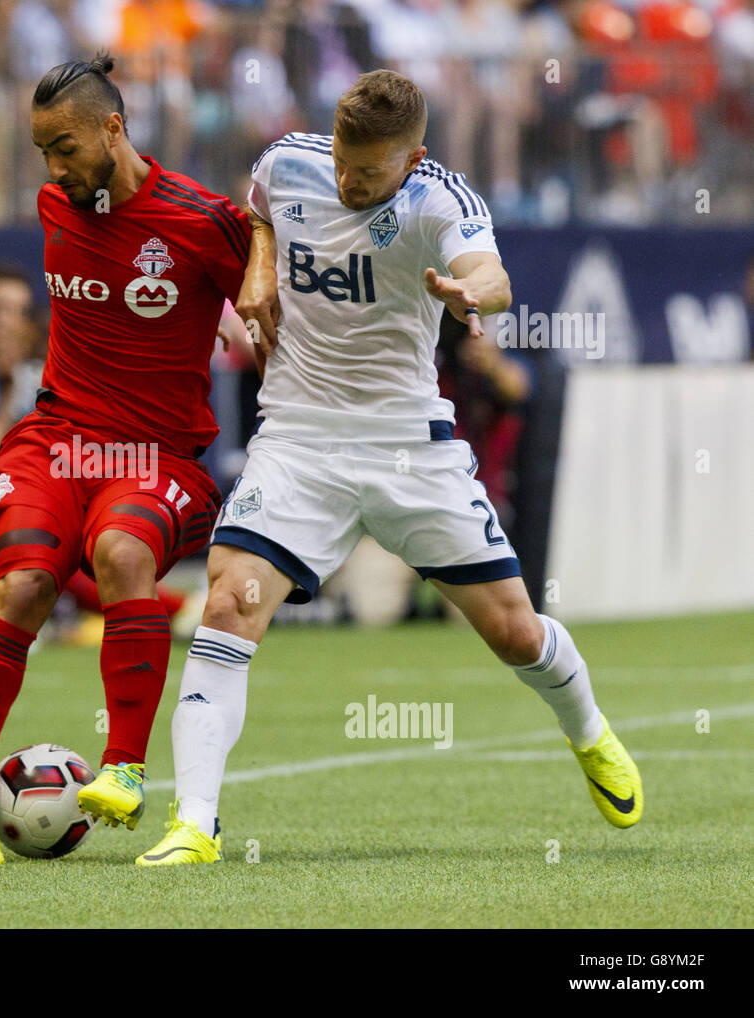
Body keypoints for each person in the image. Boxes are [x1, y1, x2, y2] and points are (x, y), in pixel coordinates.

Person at [138, 70, 643, 866]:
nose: (346, 180)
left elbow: (494, 277)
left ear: (413, 159)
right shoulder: (290, 162)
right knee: (229, 605)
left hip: (408, 442)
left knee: (514, 632)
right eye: (342, 161)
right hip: (299, 437)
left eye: (367, 173)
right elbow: (256, 206)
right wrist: (260, 263)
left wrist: (465, 289)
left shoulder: (442, 199)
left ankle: (588, 731)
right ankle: (195, 824)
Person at [0, 54, 249, 864]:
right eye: (43, 151)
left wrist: (237, 310)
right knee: (22, 583)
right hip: (56, 439)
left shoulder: (202, 220)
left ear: (115, 127)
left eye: (66, 146)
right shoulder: (54, 204)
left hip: (157, 454)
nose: (55, 168)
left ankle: (126, 770)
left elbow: (265, 274)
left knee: (121, 551)